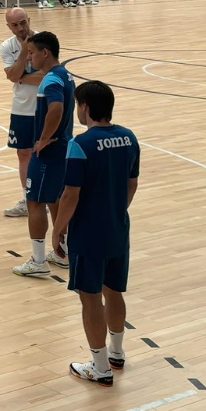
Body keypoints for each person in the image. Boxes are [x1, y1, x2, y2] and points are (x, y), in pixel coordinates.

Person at [51, 79, 140, 386]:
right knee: (113, 291)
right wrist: (116, 210)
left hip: (88, 233)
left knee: (90, 299)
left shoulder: (81, 144)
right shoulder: (129, 138)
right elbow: (132, 183)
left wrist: (58, 229)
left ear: (85, 107)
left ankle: (100, 367)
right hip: (118, 228)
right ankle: (117, 353)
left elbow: (70, 195)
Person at [13, 31, 74, 279]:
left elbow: (56, 109)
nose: (29, 58)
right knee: (55, 200)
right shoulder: (66, 75)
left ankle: (38, 261)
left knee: (35, 202)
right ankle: (62, 252)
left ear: (45, 53)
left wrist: (45, 138)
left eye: (31, 53)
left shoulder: (50, 80)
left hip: (49, 152)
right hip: (63, 150)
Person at [0, 8, 47, 219]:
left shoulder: (46, 40)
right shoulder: (7, 46)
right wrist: (24, 53)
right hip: (21, 108)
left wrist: (21, 76)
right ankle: (28, 199)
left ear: (29, 19)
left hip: (46, 106)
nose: (20, 28)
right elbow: (12, 76)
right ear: (9, 27)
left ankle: (47, 196)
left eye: (23, 22)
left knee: (45, 153)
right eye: (15, 25)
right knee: (24, 153)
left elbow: (47, 75)